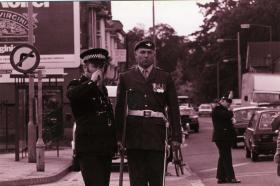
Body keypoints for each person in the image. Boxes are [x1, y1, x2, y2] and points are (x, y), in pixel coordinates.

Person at [115, 40, 182, 186]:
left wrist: (176, 136)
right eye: (142, 52)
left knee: (156, 180)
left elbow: (173, 108)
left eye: (149, 53)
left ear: (154, 55)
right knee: (137, 181)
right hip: (134, 136)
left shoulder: (164, 77)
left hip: (156, 136)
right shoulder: (126, 77)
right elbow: (119, 109)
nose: (146, 56)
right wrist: (119, 137)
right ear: (136, 55)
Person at [67, 48, 117, 186]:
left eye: (101, 66)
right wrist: (92, 82)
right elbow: (73, 95)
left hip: (104, 148)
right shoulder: (77, 84)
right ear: (85, 67)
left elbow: (109, 117)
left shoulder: (103, 89)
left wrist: (115, 143)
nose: (98, 70)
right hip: (89, 148)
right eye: (94, 66)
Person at [211, 97, 241, 184]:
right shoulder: (217, 109)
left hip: (223, 138)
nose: (228, 105)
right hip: (222, 138)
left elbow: (227, 118)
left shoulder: (221, 109)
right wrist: (231, 111)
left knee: (223, 157)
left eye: (229, 104)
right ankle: (231, 178)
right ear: (222, 101)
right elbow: (227, 115)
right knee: (227, 158)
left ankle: (221, 178)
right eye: (227, 103)